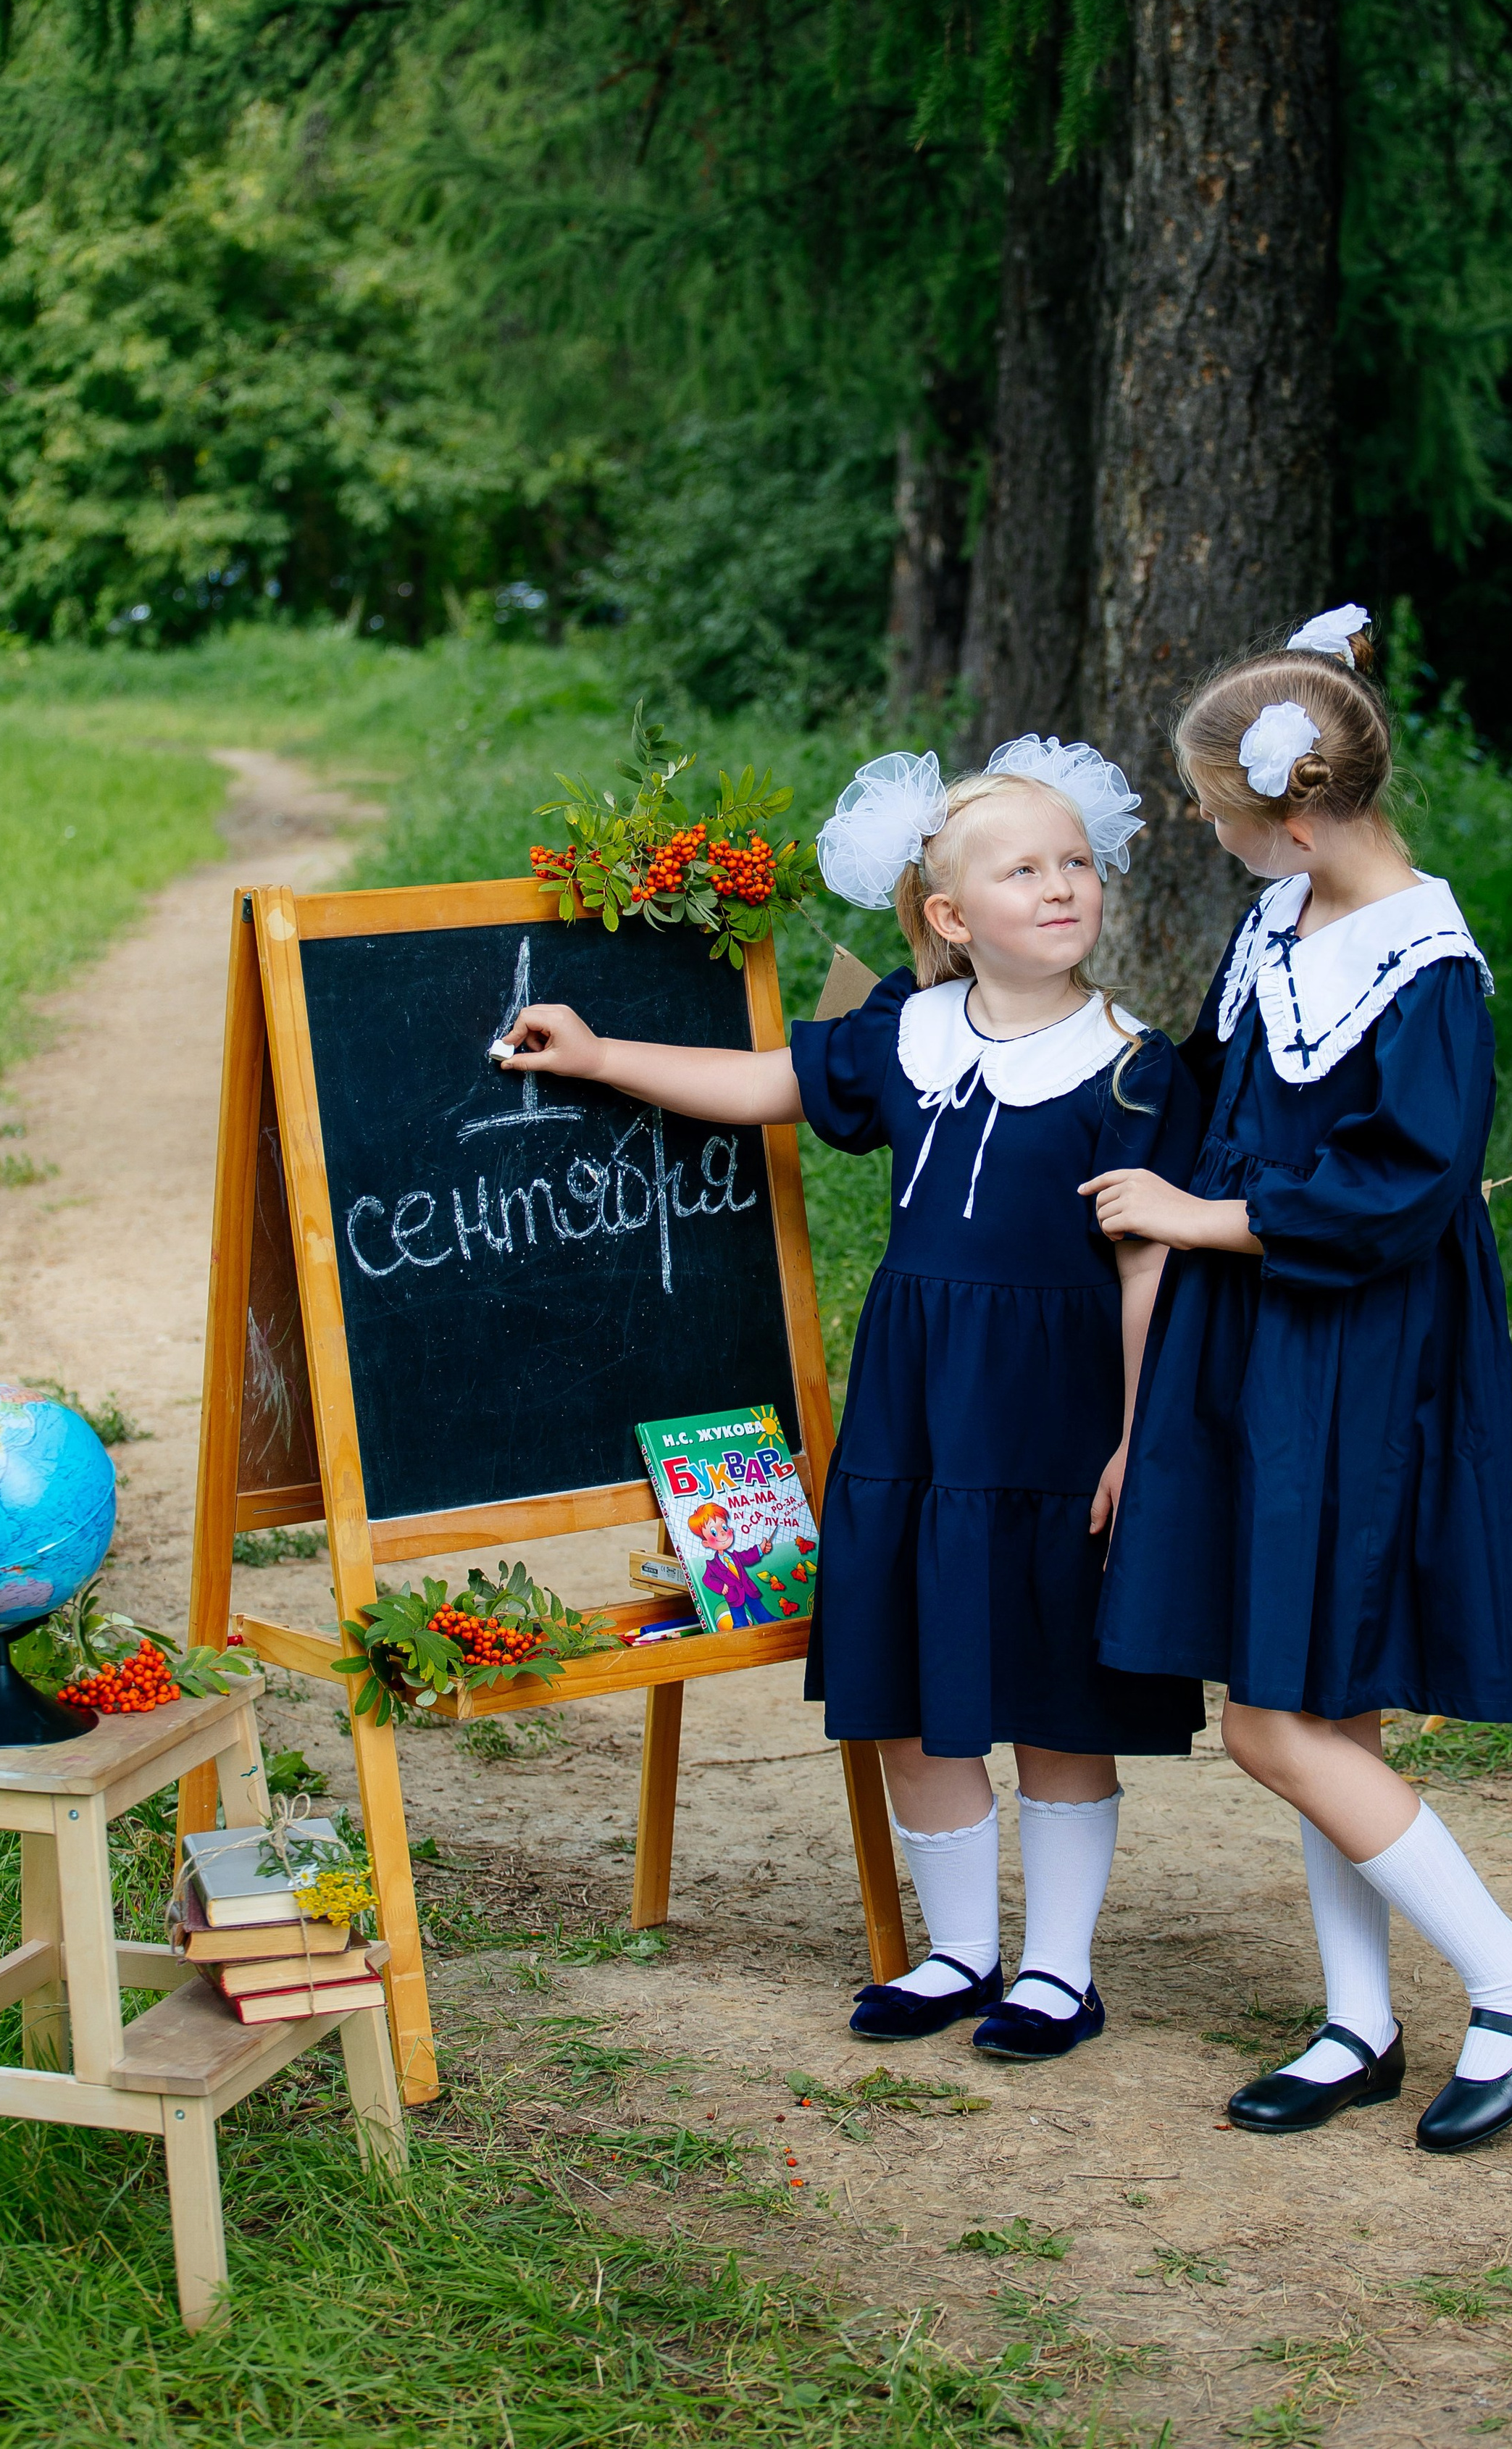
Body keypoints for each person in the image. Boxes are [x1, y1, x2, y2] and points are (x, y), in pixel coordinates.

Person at [501, 736, 1205, 2061]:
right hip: (919, 1406)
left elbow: (1146, 1263)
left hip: (1057, 1412)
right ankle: (957, 1951)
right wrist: (597, 1056)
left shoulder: (1133, 1065)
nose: (1063, 887)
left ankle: (1058, 1969)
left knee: (1056, 1688)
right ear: (949, 916)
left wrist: (1133, 1435)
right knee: (908, 1680)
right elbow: (763, 1084)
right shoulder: (906, 1033)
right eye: (1024, 870)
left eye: (1076, 864)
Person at [1084, 606, 1512, 2154]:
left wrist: (1196, 1219)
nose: (1197, 824)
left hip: (1354, 1346)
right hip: (1258, 1336)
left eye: (1213, 808)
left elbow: (1400, 1191)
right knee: (1319, 1696)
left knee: (1271, 1714)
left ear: (1294, 814)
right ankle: (1358, 2022)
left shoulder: (1426, 968)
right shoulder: (1285, 911)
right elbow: (1215, 1080)